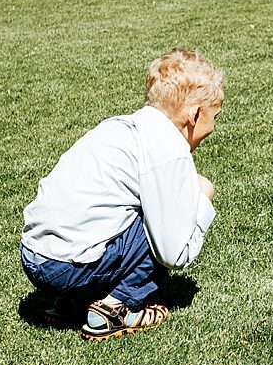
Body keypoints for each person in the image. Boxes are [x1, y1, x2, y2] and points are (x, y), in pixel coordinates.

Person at [21, 48, 224, 341]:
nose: (213, 127)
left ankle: (70, 300)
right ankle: (115, 308)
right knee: (161, 216)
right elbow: (175, 254)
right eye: (214, 116)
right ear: (194, 114)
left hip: (34, 256)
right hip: (67, 268)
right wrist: (202, 199)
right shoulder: (168, 150)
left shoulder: (119, 128)